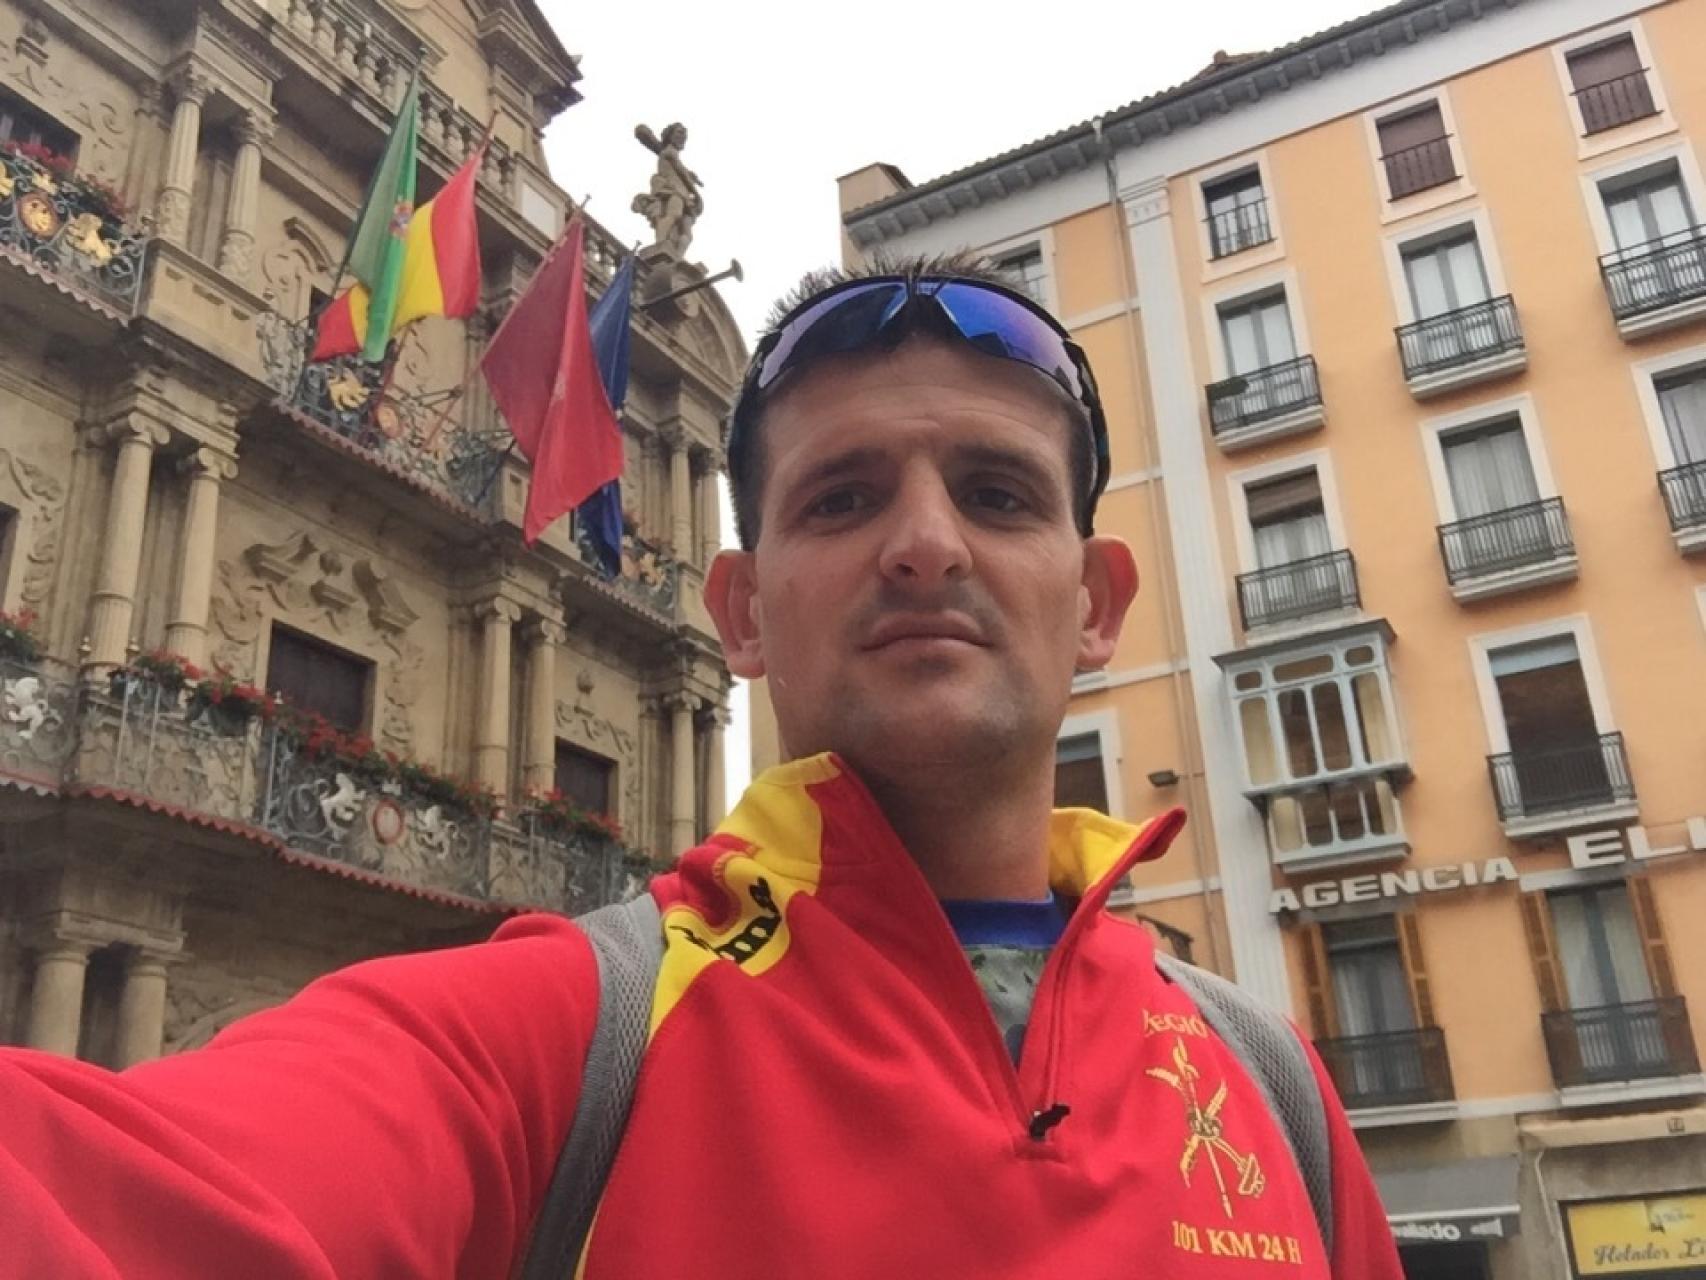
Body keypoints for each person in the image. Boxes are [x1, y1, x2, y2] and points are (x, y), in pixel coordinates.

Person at [0, 257, 1403, 1279]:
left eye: (995, 493)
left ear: (1096, 601)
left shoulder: (1268, 1083)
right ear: (739, 614)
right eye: (842, 499)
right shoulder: (553, 1039)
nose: (925, 544)